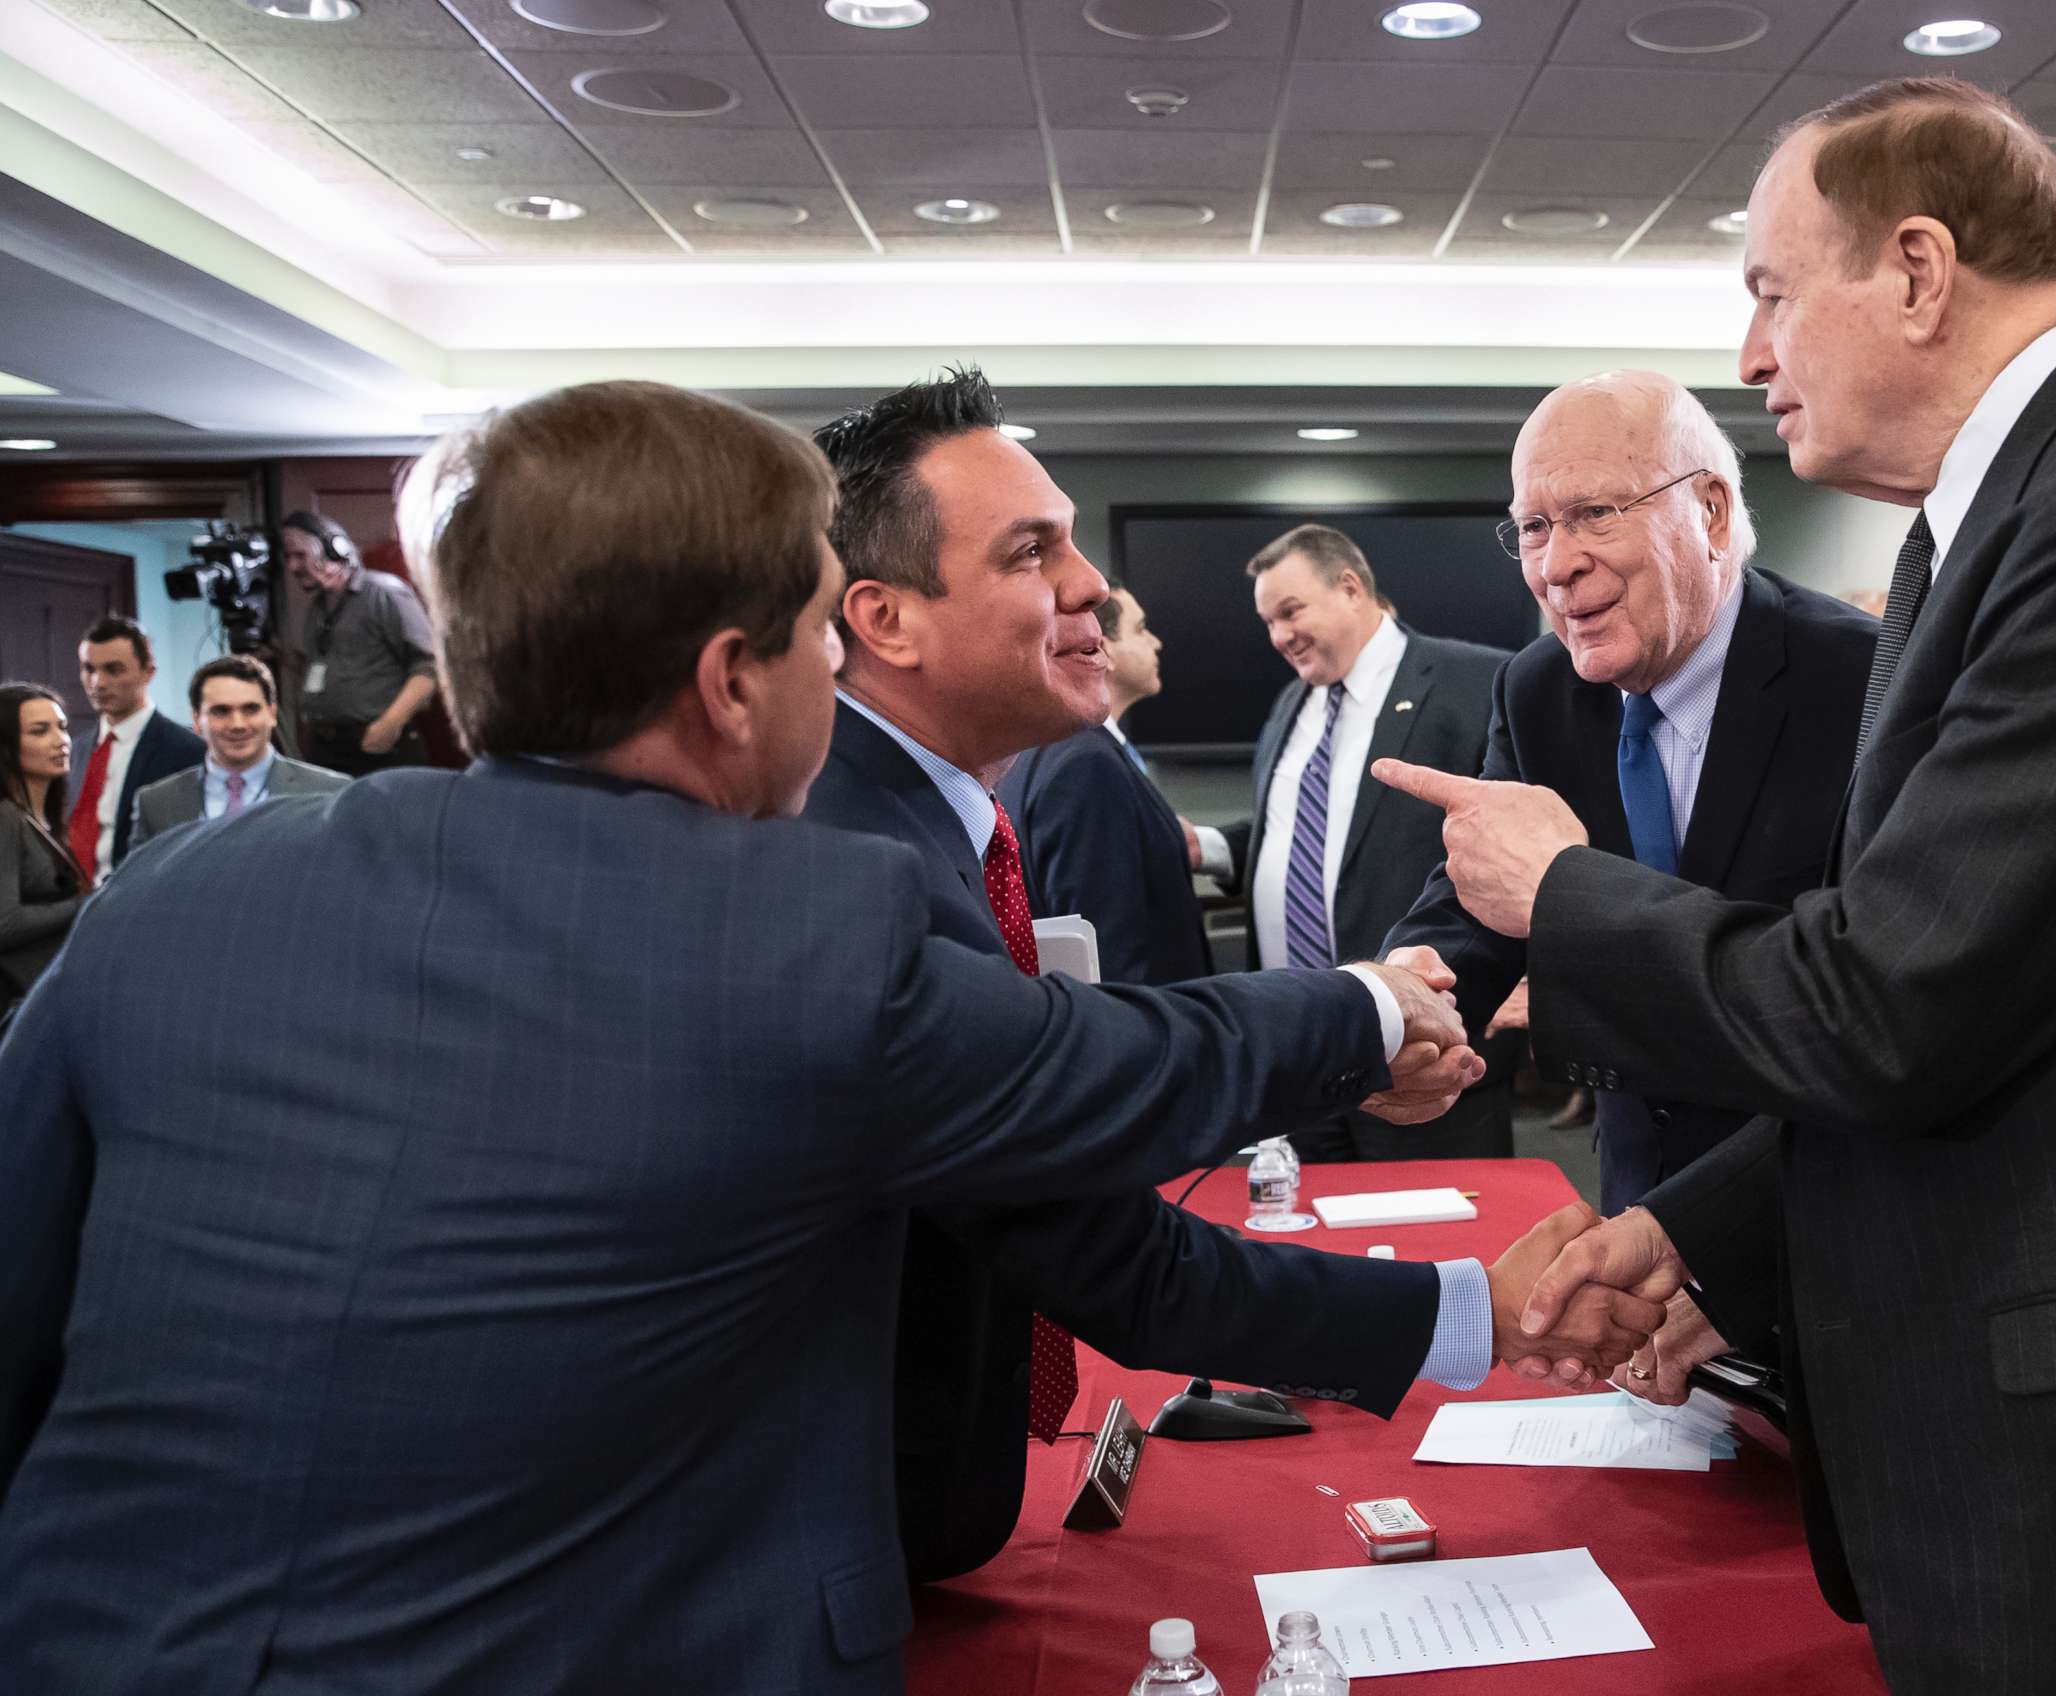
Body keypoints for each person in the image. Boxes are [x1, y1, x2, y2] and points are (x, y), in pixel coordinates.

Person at [0, 379, 1495, 1695]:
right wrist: (1378, 1000)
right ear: (733, 682)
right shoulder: (807, 929)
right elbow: (1121, 1072)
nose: (830, 686)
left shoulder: (177, 887)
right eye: (809, 644)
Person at [1379, 78, 2056, 1693]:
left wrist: (1561, 889)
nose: (1751, 354)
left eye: (1767, 292)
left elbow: (1892, 999)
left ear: (1913, 270)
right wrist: (1694, 1230)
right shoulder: (1998, 530)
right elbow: (2017, 1005)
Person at [807, 372, 1651, 1584]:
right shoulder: (856, 859)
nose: (1092, 584)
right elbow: (1073, 1155)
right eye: (1034, 551)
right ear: (885, 619)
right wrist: (1365, 1013)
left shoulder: (916, 822)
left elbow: (1059, 1215)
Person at [1384, 369, 1876, 1381]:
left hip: (1825, 1221)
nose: (1556, 566)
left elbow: (1869, 996)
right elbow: (1488, 888)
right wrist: (1409, 997)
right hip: (1630, 1218)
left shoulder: (1863, 683)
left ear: (1711, 509)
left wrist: (1709, 1240)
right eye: (1530, 527)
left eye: (1593, 515)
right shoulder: (1539, 688)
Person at [1191, 523, 1514, 1161]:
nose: (1279, 636)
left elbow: (1512, 847)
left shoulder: (1476, 682)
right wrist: (1208, 847)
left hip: (1425, 1055)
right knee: (1308, 1246)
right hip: (1302, 1052)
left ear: (1350, 587)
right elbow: (1300, 832)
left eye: (1290, 611)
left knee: (1437, 1248)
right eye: (1268, 622)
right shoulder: (1291, 703)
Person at [998, 583, 1211, 985]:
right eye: (1141, 628)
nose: (1156, 642)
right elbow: (1108, 954)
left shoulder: (1042, 747)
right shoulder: (1086, 763)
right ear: (1102, 647)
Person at [281, 509, 441, 774]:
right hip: (326, 748)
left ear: (336, 549)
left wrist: (390, 723)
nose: (292, 567)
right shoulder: (318, 608)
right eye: (288, 557)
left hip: (378, 747)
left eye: (300, 555)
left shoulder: (384, 593)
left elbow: (429, 664)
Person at [132, 655, 348, 848]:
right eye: (221, 711)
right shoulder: (156, 804)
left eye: (250, 709)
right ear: (197, 720)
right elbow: (139, 886)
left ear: (272, 714)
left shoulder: (330, 793)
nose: (238, 724)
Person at [63, 614, 204, 882]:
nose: (98, 683)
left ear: (148, 672)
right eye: (89, 669)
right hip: (74, 905)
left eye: (113, 669)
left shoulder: (187, 750)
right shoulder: (77, 749)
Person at [0, 683, 86, 1007]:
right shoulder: (6, 816)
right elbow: (4, 923)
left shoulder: (40, 817)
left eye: (62, 727)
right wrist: (84, 905)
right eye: (40, 731)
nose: (60, 741)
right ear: (6, 748)